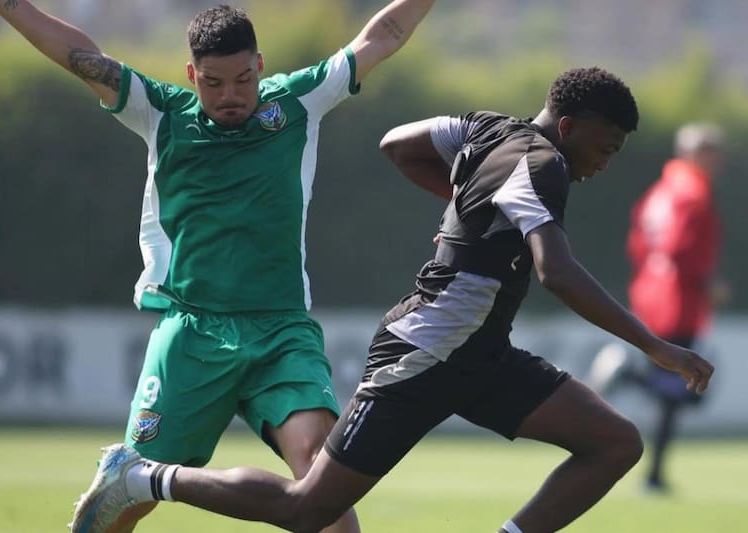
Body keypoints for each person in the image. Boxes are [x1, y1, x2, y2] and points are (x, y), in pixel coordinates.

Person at [64, 67, 715, 533]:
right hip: (426, 352)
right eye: (604, 147)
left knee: (614, 442)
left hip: (479, 353)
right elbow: (558, 270)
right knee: (308, 509)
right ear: (569, 125)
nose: (602, 163)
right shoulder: (540, 164)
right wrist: (656, 346)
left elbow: (398, 143)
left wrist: (466, 209)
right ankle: (143, 476)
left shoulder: (487, 130)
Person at [0, 0, 437, 532]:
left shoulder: (297, 101)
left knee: (323, 486)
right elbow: (80, 54)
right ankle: (128, 481)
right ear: (192, 74)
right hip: (194, 332)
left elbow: (381, 35)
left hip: (282, 331)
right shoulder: (162, 113)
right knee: (126, 501)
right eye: (214, 83)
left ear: (260, 66)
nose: (230, 96)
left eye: (243, 79)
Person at [588, 122, 727, 493]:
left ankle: (654, 475)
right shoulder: (693, 193)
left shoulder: (660, 193)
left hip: (652, 293)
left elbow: (639, 244)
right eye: (713, 153)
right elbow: (683, 250)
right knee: (685, 385)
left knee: (678, 388)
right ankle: (626, 375)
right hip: (678, 300)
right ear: (694, 154)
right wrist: (708, 281)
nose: (719, 161)